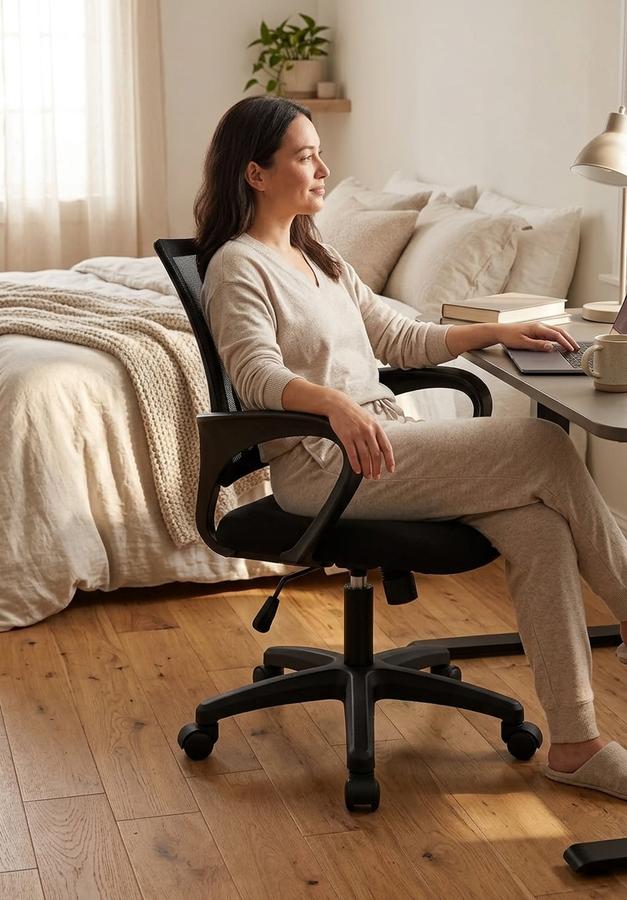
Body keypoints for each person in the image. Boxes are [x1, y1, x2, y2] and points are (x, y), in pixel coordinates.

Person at [195, 95, 627, 800]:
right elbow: (254, 374)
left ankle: (576, 743)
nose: (323, 169)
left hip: (380, 445)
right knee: (543, 448)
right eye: (305, 157)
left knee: (539, 528)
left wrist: (491, 332)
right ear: (255, 173)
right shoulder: (237, 267)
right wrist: (334, 402)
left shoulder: (318, 256)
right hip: (322, 465)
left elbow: (398, 335)